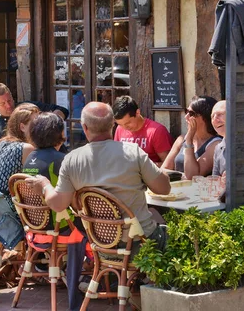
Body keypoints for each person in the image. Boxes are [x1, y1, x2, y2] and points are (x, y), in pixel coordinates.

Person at [25, 102, 171, 248]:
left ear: (85, 128)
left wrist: (45, 186)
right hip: (141, 243)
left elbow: (58, 204)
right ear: (113, 125)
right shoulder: (133, 152)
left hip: (100, 245)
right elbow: (164, 189)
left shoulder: (71, 159)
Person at [0, 83, 68, 149]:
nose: (8, 105)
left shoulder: (28, 107)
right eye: (3, 103)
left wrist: (51, 122)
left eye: (9, 100)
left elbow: (63, 110)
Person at [0, 103, 39, 196]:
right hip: (4, 205)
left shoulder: (1, 143)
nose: (40, 126)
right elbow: (33, 183)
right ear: (22, 127)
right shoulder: (26, 148)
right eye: (36, 123)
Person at [163, 96, 222, 178]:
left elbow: (193, 176)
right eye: (186, 111)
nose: (186, 117)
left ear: (205, 117)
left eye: (191, 114)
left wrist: (189, 141)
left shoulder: (215, 144)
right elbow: (164, 168)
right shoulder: (181, 139)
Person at [113, 95, 173, 166]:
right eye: (120, 124)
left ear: (137, 113)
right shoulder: (120, 129)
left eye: (128, 123)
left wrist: (142, 167)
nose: (125, 127)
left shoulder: (157, 131)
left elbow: (169, 165)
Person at [22, 112, 67, 185]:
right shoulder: (61, 159)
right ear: (59, 133)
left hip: (32, 196)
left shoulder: (30, 156)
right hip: (50, 195)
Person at [211, 100, 226, 177]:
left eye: (220, 114)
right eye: (212, 116)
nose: (215, 120)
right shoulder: (218, 148)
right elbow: (215, 180)